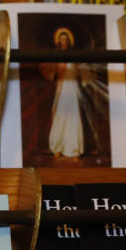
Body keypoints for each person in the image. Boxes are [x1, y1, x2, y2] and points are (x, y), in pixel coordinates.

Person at [39, 28, 90, 159]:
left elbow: (82, 70)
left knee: (74, 116)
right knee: (61, 114)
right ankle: (58, 147)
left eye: (66, 39)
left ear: (69, 41)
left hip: (73, 88)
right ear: (59, 41)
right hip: (62, 88)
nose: (64, 41)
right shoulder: (55, 56)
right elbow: (51, 72)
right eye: (62, 39)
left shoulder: (75, 56)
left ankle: (74, 150)